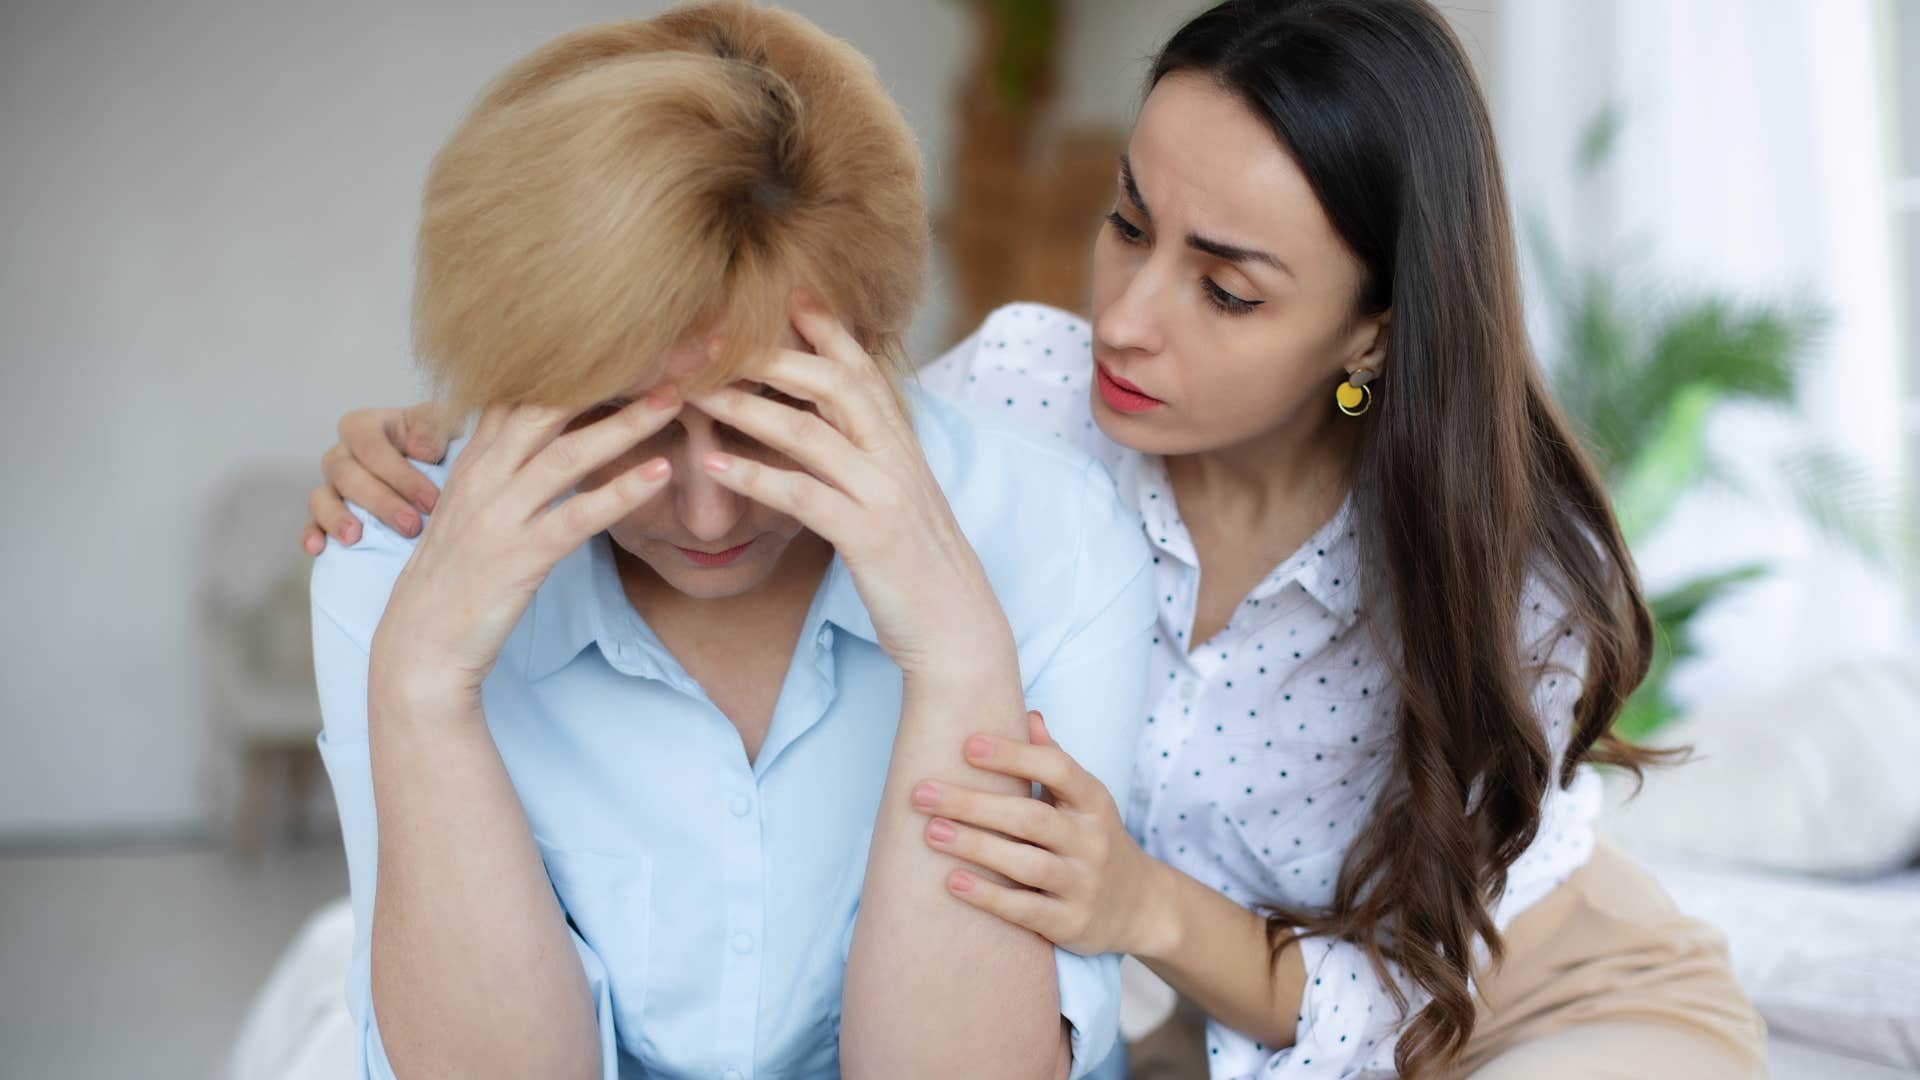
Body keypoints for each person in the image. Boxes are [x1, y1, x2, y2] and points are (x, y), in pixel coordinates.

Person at [311, 1, 1770, 1077]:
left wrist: (1140, 906)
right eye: (1130, 226)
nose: (1124, 320)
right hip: (1200, 1025)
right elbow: (755, 386)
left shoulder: (1510, 586)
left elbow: (1399, 1001)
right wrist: (477, 405)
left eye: (1230, 289)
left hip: (1502, 989)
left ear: (1373, 330)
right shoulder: (1025, 393)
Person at [305, 5, 1153, 1079]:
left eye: (765, 421)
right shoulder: (390, 551)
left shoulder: (1052, 536)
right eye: (626, 425)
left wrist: (959, 660)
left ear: (872, 341)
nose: (709, 514)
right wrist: (421, 687)